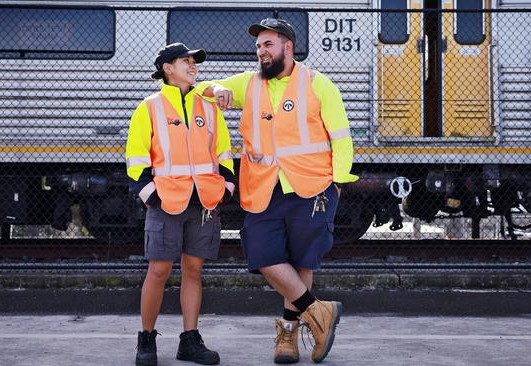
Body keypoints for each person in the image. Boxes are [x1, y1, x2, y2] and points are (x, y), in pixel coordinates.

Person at [200, 18, 358, 364]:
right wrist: (215, 88)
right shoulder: (249, 83)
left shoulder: (320, 85)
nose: (261, 52)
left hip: (312, 186)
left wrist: (339, 181)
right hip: (263, 188)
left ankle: (287, 338)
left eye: (268, 45)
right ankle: (319, 313)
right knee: (263, 256)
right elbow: (202, 91)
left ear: (288, 47)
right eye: (258, 46)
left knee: (301, 260)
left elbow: (342, 138)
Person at [126, 43, 235, 366]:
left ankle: (190, 340)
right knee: (158, 271)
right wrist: (152, 195)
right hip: (165, 201)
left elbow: (224, 152)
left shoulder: (209, 107)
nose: (193, 65)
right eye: (185, 61)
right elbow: (136, 160)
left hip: (204, 201)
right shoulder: (149, 107)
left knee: (193, 270)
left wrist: (226, 187)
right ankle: (146, 339)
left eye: (194, 62)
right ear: (166, 68)